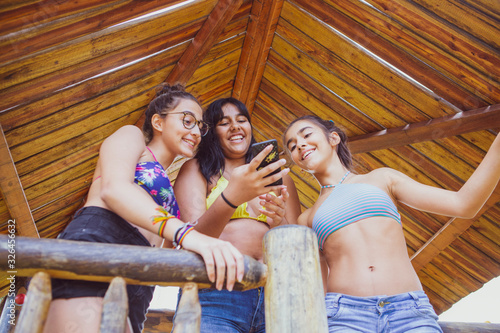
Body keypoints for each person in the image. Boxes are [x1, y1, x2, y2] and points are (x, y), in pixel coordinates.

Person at [43, 84, 246, 333]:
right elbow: (114, 188)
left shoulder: (170, 191)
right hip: (99, 246)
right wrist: (187, 234)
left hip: (140, 282)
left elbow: (173, 249)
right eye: (188, 120)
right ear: (158, 122)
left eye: (200, 127)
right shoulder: (131, 137)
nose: (195, 132)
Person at [283, 115, 500, 333]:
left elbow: (463, 204)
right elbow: (315, 286)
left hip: (410, 312)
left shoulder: (382, 178)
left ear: (333, 138)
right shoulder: (307, 219)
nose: (299, 145)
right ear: (298, 163)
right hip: (344, 318)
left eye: (307, 134)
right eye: (292, 146)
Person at [172, 97, 302, 332]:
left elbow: (296, 250)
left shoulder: (278, 176)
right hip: (215, 292)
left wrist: (278, 220)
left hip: (276, 294)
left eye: (242, 120)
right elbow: (190, 239)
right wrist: (232, 197)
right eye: (224, 122)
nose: (235, 126)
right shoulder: (197, 169)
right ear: (212, 132)